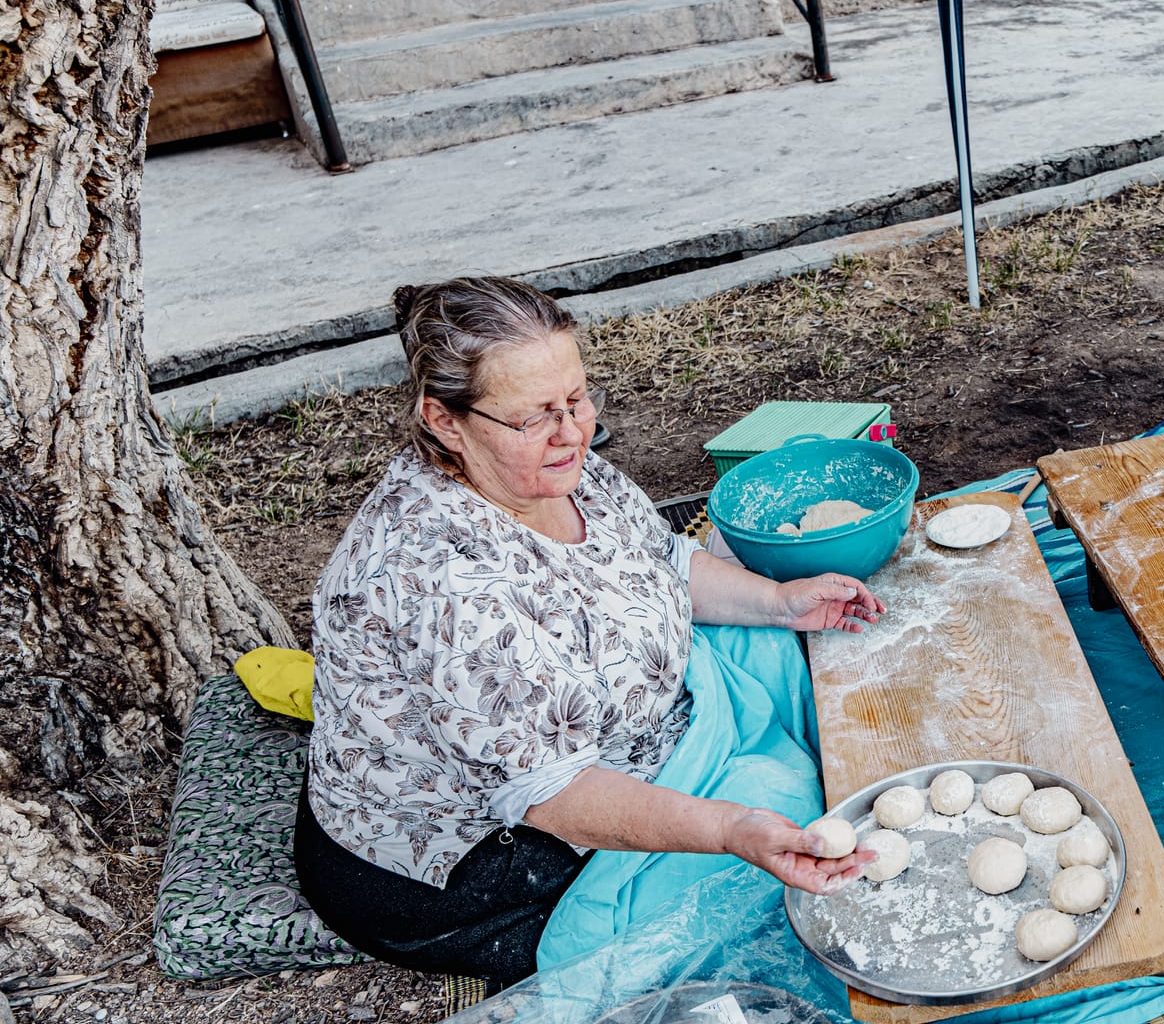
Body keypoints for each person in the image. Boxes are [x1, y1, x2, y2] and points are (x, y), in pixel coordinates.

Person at [296, 276, 885, 985]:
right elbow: (553, 793)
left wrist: (781, 600)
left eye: (576, 399)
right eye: (536, 416)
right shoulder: (433, 577)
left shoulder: (548, 463)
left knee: (779, 649)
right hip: (480, 858)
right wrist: (729, 828)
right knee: (779, 843)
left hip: (606, 735)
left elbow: (655, 559)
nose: (573, 431)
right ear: (445, 420)